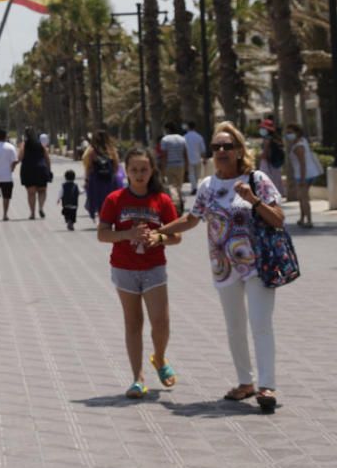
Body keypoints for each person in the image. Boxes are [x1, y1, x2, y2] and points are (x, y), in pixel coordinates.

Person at [156, 122, 285, 412]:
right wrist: (160, 232)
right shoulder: (207, 186)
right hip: (223, 268)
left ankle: (267, 385)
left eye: (228, 146)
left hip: (257, 264)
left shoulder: (257, 179)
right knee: (234, 326)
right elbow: (191, 219)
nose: (222, 151)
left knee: (260, 324)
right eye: (217, 147)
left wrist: (253, 201)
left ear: (240, 151)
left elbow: (277, 218)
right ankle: (245, 382)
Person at [97, 148, 181, 399]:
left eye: (144, 169)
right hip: (124, 268)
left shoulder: (162, 200)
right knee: (133, 323)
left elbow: (176, 237)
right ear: (126, 170)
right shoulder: (114, 199)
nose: (139, 174)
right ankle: (137, 378)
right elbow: (102, 234)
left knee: (161, 322)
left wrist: (159, 237)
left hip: (154, 268)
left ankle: (160, 358)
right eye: (134, 169)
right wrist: (126, 235)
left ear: (152, 170)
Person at [285, 123, 323, 228]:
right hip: (309, 173)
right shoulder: (302, 141)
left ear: (297, 133)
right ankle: (302, 218)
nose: (288, 135)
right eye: (287, 133)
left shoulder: (298, 147)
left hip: (304, 175)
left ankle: (309, 220)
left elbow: (302, 164)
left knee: (304, 198)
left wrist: (302, 179)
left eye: (290, 132)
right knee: (301, 198)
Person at [83, 129, 119, 222]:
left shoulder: (91, 151)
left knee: (98, 200)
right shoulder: (112, 150)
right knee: (109, 198)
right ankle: (109, 217)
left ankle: (102, 218)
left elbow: (88, 166)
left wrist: (86, 179)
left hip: (96, 179)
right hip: (109, 179)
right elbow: (116, 165)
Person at [18, 127, 51, 219]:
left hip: (28, 170)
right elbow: (47, 158)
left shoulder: (24, 144)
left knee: (31, 193)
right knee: (42, 190)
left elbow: (20, 157)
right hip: (41, 169)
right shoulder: (41, 144)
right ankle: (40, 208)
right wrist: (49, 170)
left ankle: (32, 213)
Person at [158, 122, 188, 212]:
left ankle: (176, 205)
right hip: (180, 164)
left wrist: (162, 169)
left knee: (172, 186)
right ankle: (181, 200)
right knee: (179, 186)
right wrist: (186, 167)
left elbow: (164, 155)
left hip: (170, 165)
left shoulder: (165, 140)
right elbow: (185, 154)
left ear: (167, 129)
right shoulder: (182, 139)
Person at [257, 118, 285, 193]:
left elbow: (265, 155)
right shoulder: (275, 139)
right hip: (275, 167)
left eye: (263, 128)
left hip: (268, 167)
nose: (261, 129)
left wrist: (259, 156)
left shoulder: (267, 140)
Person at [183, 121, 207, 195]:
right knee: (197, 174)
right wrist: (204, 158)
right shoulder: (199, 136)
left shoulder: (185, 137)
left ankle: (194, 188)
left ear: (188, 127)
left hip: (189, 158)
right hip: (197, 158)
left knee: (191, 174)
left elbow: (183, 149)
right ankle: (195, 187)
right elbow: (203, 149)